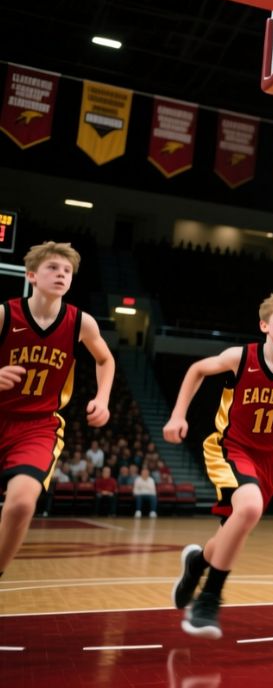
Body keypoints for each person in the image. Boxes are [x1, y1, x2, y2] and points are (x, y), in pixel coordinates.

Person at [163, 292, 273, 639]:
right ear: (264, 325)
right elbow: (196, 370)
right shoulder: (242, 356)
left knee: (233, 529)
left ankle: (197, 563)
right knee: (249, 508)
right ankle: (209, 600)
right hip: (231, 447)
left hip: (270, 458)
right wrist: (178, 415)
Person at [0, 242, 114, 580]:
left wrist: (103, 398)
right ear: (32, 275)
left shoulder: (81, 322)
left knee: (21, 503)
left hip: (38, 425)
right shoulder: (6, 314)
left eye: (67, 271)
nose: (61, 274)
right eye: (53, 268)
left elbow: (105, 359)